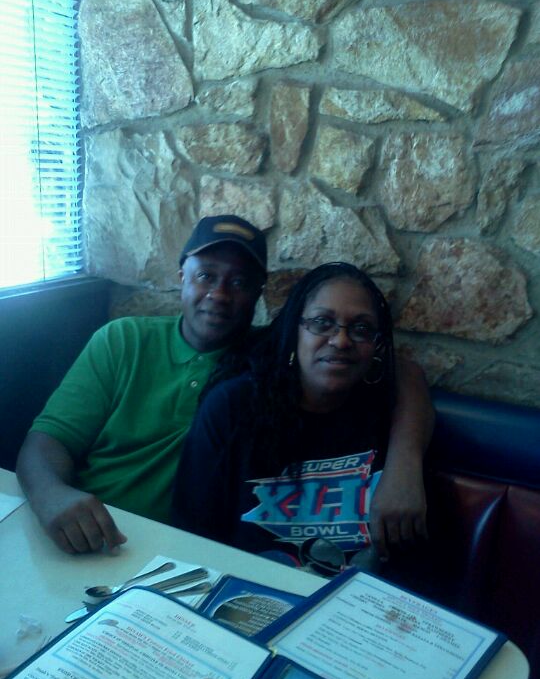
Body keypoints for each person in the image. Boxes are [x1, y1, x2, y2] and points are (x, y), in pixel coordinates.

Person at [17, 216, 432, 558]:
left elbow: (405, 373)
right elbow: (47, 442)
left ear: (257, 294)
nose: (219, 294)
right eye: (206, 276)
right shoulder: (122, 340)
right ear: (182, 277)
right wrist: (52, 495)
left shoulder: (269, 357)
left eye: (238, 282)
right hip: (85, 529)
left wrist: (404, 466)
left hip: (172, 549)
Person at [173, 263, 433, 563]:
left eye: (361, 329)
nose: (341, 340)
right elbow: (192, 532)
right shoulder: (233, 406)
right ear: (294, 330)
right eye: (322, 322)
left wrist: (406, 467)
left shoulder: (392, 410)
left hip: (361, 589)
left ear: (376, 345)